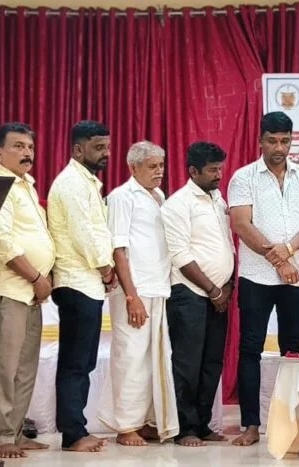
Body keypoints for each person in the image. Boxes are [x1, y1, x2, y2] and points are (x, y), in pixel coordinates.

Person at [228, 111, 299, 446]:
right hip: (256, 278)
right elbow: (242, 224)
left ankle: (294, 422)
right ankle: (250, 425)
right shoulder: (244, 177)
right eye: (272, 141)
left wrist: (289, 250)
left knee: (293, 350)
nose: (279, 148)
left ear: (292, 141)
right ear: (260, 141)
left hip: (297, 279)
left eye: (285, 141)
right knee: (250, 349)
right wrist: (279, 260)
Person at [0, 123, 54, 458]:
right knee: (4, 367)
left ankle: (17, 432)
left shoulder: (27, 188)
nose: (27, 153)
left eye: (30, 147)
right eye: (18, 146)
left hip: (31, 292)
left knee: (25, 368)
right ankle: (0, 437)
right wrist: (36, 277)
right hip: (8, 288)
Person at [97, 141, 179, 446]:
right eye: (152, 166)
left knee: (153, 359)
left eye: (161, 165)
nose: (159, 171)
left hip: (158, 288)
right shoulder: (121, 197)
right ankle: (125, 426)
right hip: (134, 290)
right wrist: (131, 296)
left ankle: (145, 421)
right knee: (130, 357)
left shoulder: (159, 196)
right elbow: (118, 248)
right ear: (133, 168)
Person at [48, 120, 117, 453]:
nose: (106, 153)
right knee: (75, 363)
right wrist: (106, 268)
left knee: (83, 362)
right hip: (76, 281)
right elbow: (83, 234)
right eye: (98, 147)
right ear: (78, 150)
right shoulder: (71, 184)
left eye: (107, 146)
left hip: (87, 284)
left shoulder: (86, 181)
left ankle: (77, 428)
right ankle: (72, 434)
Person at [161, 142, 236, 447]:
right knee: (187, 363)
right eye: (212, 170)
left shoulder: (218, 200)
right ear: (193, 171)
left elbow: (227, 245)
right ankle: (185, 429)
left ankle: (202, 424)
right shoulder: (177, 205)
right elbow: (180, 255)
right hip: (189, 294)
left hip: (218, 296)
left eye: (220, 168)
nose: (219, 175)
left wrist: (226, 286)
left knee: (211, 362)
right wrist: (213, 289)